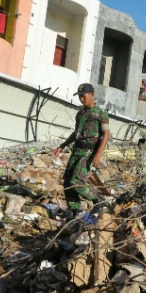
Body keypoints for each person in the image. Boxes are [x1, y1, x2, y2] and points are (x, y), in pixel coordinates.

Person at [54, 83, 109, 215]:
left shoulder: (101, 114)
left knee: (76, 180)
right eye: (79, 97)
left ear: (92, 95)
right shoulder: (80, 114)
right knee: (67, 181)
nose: (81, 99)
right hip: (76, 150)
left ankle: (98, 200)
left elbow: (106, 134)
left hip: (89, 152)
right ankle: (75, 211)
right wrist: (63, 145)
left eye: (83, 96)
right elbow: (76, 133)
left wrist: (98, 154)